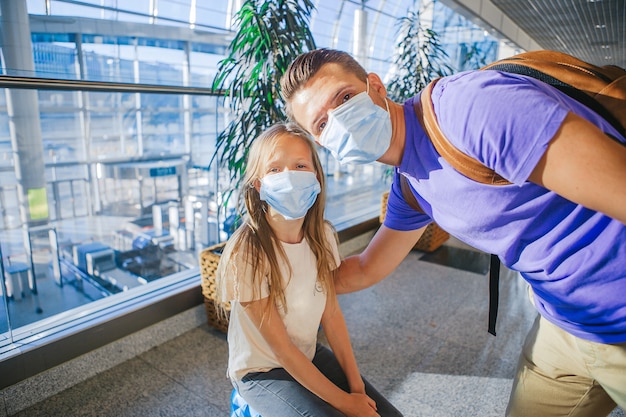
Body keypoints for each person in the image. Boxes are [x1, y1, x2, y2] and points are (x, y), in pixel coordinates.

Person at [279, 48, 626, 417]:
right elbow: (367, 266)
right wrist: (285, 281)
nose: (340, 121)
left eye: (345, 98)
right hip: (565, 324)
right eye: (322, 124)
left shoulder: (467, 109)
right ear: (322, 143)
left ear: (375, 87)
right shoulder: (411, 185)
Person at [214, 122, 403, 417]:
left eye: (300, 165)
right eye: (275, 169)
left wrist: (357, 390)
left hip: (307, 354)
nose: (289, 176)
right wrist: (344, 403)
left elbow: (331, 314)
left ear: (316, 177)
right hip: (261, 371)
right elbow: (282, 350)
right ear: (259, 184)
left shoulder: (322, 236)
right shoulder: (247, 251)